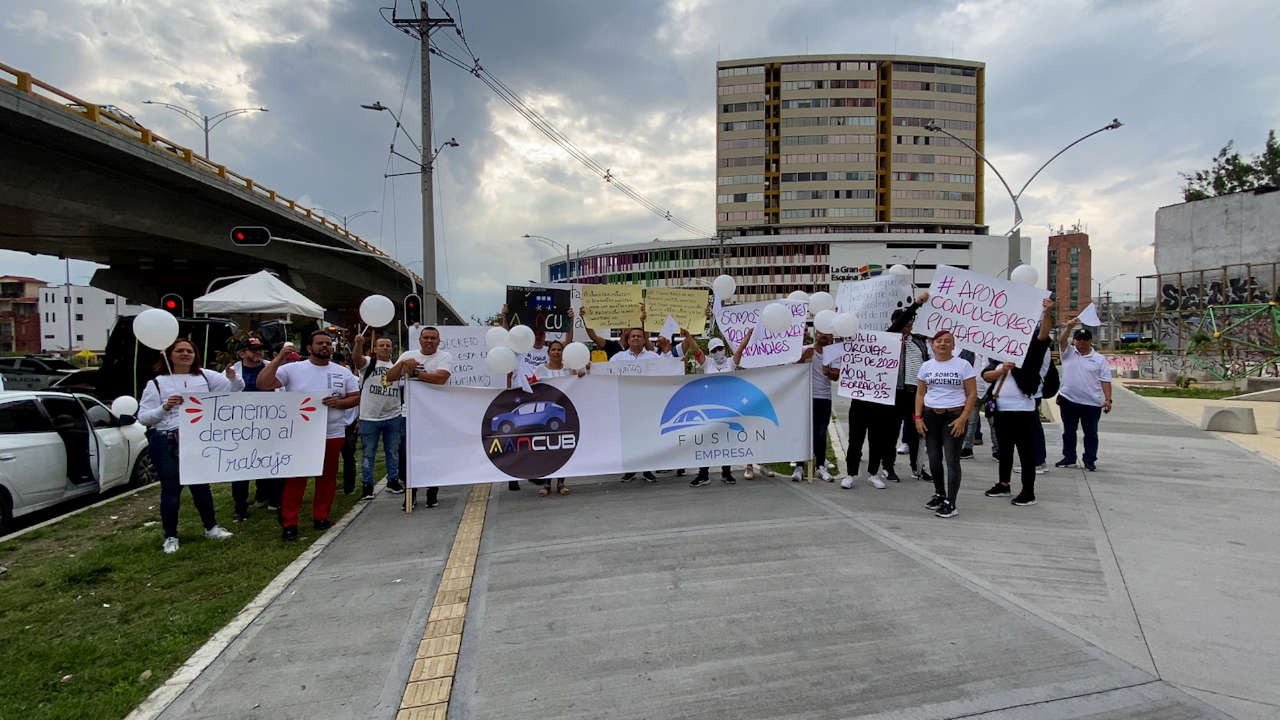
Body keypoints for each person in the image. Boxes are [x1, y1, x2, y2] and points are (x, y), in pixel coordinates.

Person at [256, 330, 360, 541]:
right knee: (296, 479)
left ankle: (321, 516)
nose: (325, 346)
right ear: (309, 348)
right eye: (320, 343)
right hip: (301, 435)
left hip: (333, 432)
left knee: (327, 478)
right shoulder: (292, 369)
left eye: (328, 343)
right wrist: (278, 359)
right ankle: (289, 523)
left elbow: (355, 397)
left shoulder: (343, 372)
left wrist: (339, 403)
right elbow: (263, 384)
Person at [138, 338, 240, 553]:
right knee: (171, 489)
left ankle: (211, 527)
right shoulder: (156, 383)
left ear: (195, 355)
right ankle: (171, 536)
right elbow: (144, 418)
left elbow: (234, 390)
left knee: (201, 486)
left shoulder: (205, 376)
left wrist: (232, 377)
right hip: (166, 441)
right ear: (170, 355)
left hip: (197, 439)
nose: (185, 354)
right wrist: (164, 407)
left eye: (189, 351)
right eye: (179, 351)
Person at [981, 299, 1054, 505]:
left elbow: (1043, 335)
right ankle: (1003, 484)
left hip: (1023, 410)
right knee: (1004, 450)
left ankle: (1028, 491)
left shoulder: (1033, 352)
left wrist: (1047, 313)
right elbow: (986, 376)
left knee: (1025, 452)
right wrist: (1001, 370)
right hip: (1001, 409)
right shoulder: (999, 355)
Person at [386, 325, 453, 506]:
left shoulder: (445, 357)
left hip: (434, 415)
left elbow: (441, 378)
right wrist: (401, 364)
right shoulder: (408, 355)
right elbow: (390, 376)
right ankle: (411, 494)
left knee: (433, 454)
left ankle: (432, 492)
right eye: (426, 337)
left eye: (433, 338)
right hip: (410, 414)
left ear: (439, 341)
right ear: (420, 340)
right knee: (407, 455)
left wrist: (415, 372)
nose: (429, 341)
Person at [914, 330, 977, 519]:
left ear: (953, 344)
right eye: (939, 341)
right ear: (932, 344)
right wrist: (918, 417)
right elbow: (920, 393)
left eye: (947, 341)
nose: (942, 344)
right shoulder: (926, 366)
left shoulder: (963, 365)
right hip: (931, 416)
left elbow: (972, 393)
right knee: (933, 458)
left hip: (954, 417)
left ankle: (951, 502)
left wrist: (963, 418)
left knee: (951, 460)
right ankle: (939, 493)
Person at [689, 329, 752, 488]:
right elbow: (696, 349)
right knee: (707, 442)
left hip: (728, 408)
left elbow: (740, 349)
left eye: (720, 348)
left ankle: (726, 472)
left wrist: (749, 335)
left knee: (726, 440)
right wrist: (688, 335)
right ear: (710, 353)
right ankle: (703, 474)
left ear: (724, 349)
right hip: (709, 409)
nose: (718, 352)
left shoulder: (731, 362)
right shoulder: (707, 363)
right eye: (714, 350)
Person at [529, 339, 588, 496]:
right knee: (548, 449)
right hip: (545, 417)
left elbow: (578, 385)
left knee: (563, 449)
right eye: (553, 349)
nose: (556, 352)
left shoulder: (570, 370)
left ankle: (561, 483)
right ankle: (547, 484)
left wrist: (581, 376)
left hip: (564, 414)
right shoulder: (540, 370)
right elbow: (532, 388)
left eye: (559, 349)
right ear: (548, 353)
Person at [228, 336, 276, 520]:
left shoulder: (271, 367)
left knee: (268, 461)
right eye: (252, 349)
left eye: (259, 349)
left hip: (269, 424)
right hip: (241, 427)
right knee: (241, 467)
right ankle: (240, 506)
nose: (258, 352)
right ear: (241, 353)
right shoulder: (232, 372)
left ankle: (266, 496)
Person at [1054, 322, 1113, 471]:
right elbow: (1061, 340)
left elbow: (1105, 380)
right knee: (1068, 432)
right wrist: (1068, 327)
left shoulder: (1099, 359)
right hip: (1069, 400)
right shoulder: (1068, 353)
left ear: (1090, 341)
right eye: (1078, 339)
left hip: (1091, 403)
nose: (1081, 342)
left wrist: (1108, 399)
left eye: (1085, 339)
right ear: (1074, 340)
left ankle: (1090, 459)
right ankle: (1069, 457)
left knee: (1091, 433)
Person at [351, 332, 402, 500]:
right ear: (375, 348)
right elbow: (356, 360)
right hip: (369, 416)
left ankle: (393, 480)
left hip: (393, 415)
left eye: (388, 345)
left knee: (392, 451)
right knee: (368, 453)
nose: (385, 348)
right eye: (382, 345)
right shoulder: (368, 362)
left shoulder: (397, 365)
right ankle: (367, 485)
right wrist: (358, 344)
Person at [890, 303, 932, 482]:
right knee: (891, 432)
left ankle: (918, 467)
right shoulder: (889, 339)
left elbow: (927, 363)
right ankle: (888, 466)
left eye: (909, 324)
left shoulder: (919, 342)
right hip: (895, 392)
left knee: (918, 432)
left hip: (916, 392)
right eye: (904, 324)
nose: (907, 328)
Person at [799, 328, 840, 483]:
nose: (823, 336)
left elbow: (836, 376)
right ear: (815, 333)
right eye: (821, 332)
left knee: (821, 433)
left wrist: (827, 372)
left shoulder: (834, 353)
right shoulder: (806, 350)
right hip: (805, 397)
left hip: (824, 398)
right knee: (804, 432)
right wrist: (803, 358)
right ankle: (799, 465)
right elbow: (792, 370)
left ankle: (820, 465)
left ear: (831, 336)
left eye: (827, 333)